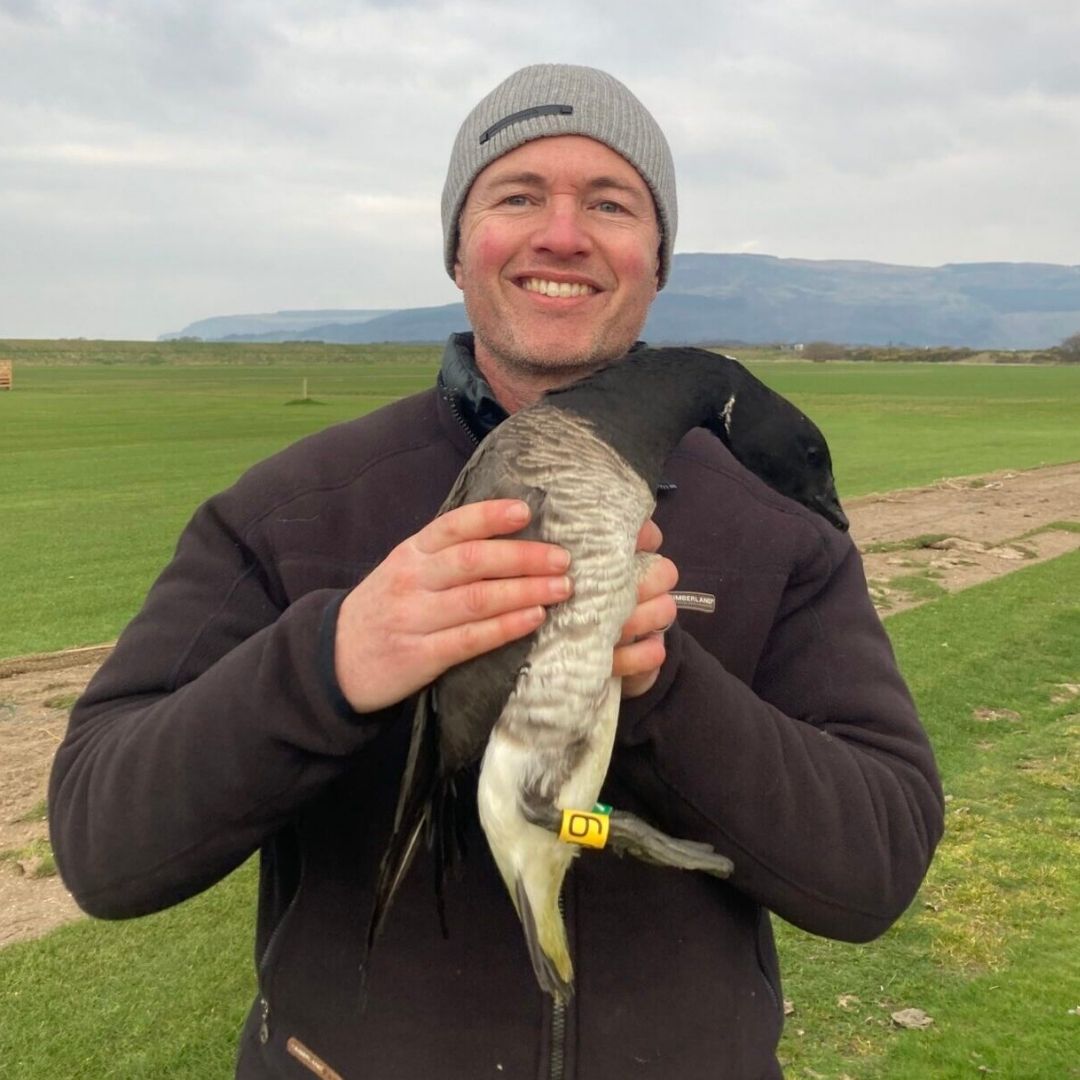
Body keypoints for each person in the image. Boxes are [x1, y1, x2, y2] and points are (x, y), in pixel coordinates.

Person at [49, 64, 944, 1079]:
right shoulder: (291, 509)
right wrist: (332, 661)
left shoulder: (779, 530)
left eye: (609, 203)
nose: (561, 234)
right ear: (457, 248)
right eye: (516, 196)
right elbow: (100, 844)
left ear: (657, 260)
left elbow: (875, 871)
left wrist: (660, 688)